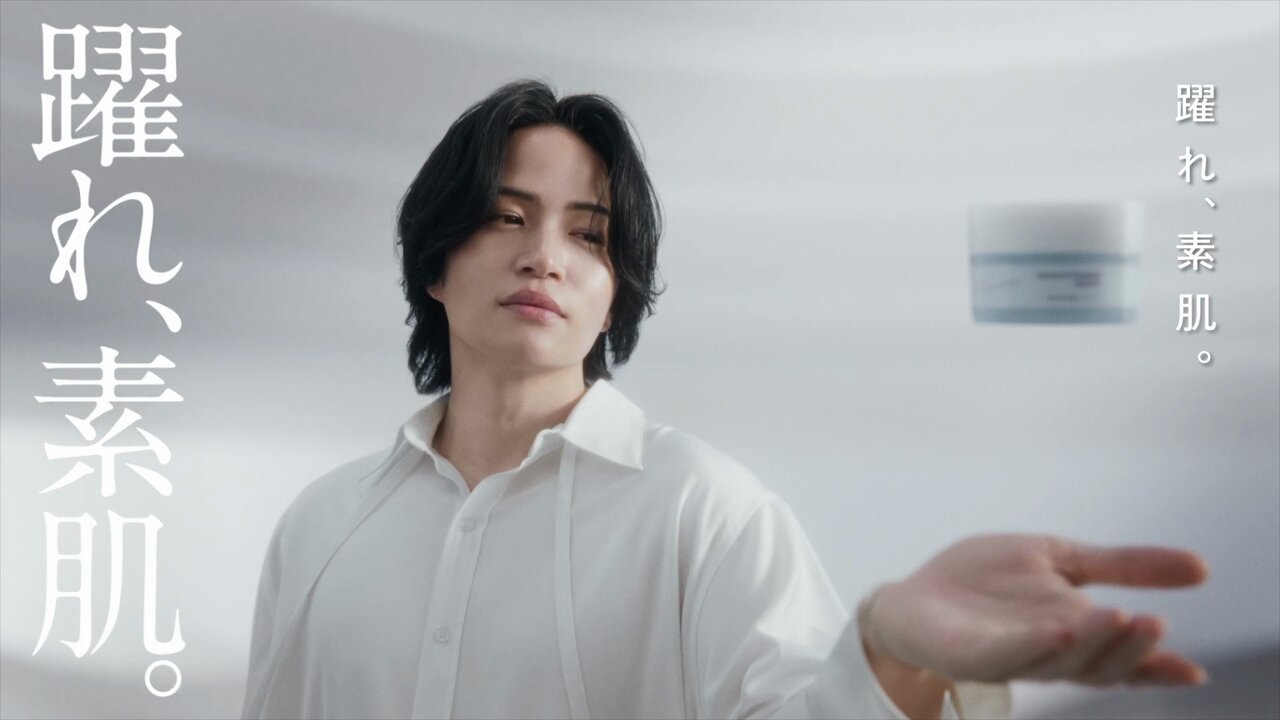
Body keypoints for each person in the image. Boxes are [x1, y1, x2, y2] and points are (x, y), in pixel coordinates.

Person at [241, 79, 1209, 720]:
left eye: (589, 234)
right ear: (434, 262)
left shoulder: (700, 506)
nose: (544, 255)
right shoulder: (322, 525)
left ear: (615, 293)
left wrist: (891, 655)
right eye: (505, 217)